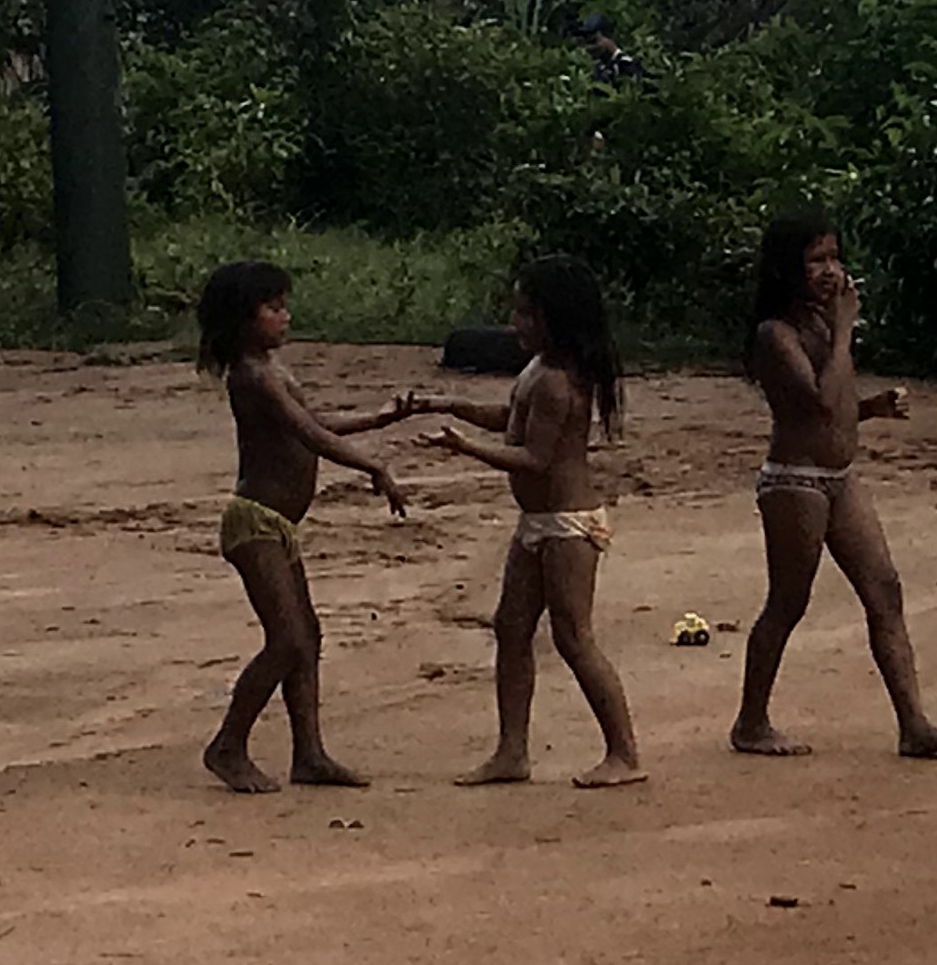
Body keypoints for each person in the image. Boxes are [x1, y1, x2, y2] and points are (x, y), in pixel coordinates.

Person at [732, 210, 937, 760]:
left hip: (839, 476)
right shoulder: (777, 334)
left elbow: (836, 407)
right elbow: (815, 401)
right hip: (796, 482)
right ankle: (750, 721)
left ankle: (914, 723)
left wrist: (871, 408)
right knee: (789, 602)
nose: (830, 271)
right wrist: (844, 331)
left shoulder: (819, 325)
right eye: (816, 260)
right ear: (788, 269)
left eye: (834, 258)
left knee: (885, 590)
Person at [406, 254, 649, 790]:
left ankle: (624, 752)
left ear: (553, 319)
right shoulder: (537, 371)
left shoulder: (559, 382)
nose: (515, 324)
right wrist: (447, 405)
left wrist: (463, 446)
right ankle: (511, 751)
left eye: (526, 314)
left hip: (567, 525)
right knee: (511, 628)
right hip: (539, 522)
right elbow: (510, 419)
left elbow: (534, 458)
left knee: (573, 636)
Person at [196, 259, 413, 795]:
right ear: (244, 320)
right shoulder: (252, 376)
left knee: (306, 637)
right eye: (273, 308)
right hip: (256, 525)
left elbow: (316, 424)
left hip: (276, 528)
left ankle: (309, 753)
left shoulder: (274, 372)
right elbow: (310, 436)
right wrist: (374, 465)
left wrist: (379, 419)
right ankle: (228, 745)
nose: (285, 317)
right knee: (288, 640)